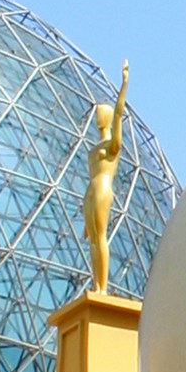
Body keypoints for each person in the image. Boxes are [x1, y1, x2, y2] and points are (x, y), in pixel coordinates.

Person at [82, 61, 129, 293]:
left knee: (100, 237)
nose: (98, 117)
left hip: (102, 191)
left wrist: (124, 84)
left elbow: (120, 112)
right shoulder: (95, 146)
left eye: (102, 113)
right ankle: (96, 283)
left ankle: (103, 288)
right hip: (90, 193)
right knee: (92, 241)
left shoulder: (113, 145)